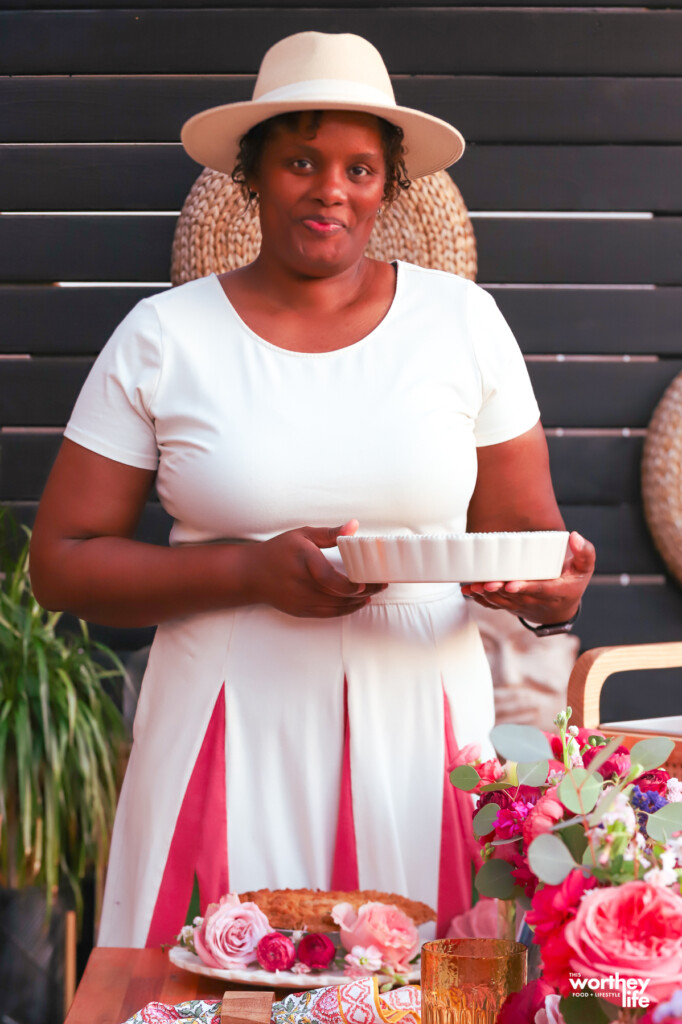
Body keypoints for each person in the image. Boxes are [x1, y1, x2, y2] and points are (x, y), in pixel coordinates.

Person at [29, 31, 595, 947]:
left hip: (424, 732)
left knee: (428, 987)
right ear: (251, 175)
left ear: (387, 186)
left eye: (361, 168)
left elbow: (527, 535)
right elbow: (60, 565)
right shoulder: (163, 337)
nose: (331, 187)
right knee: (215, 982)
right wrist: (247, 574)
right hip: (223, 721)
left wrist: (548, 593)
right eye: (300, 160)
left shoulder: (464, 324)